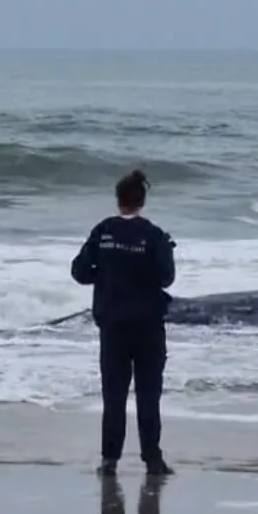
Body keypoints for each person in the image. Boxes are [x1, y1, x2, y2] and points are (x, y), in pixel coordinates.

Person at [70, 169, 177, 478]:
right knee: (148, 395)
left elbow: (79, 272)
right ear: (142, 202)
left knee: (114, 396)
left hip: (113, 325)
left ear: (118, 200)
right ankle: (152, 459)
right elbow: (166, 278)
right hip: (148, 325)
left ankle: (109, 461)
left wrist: (105, 276)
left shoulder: (103, 231)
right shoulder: (154, 235)